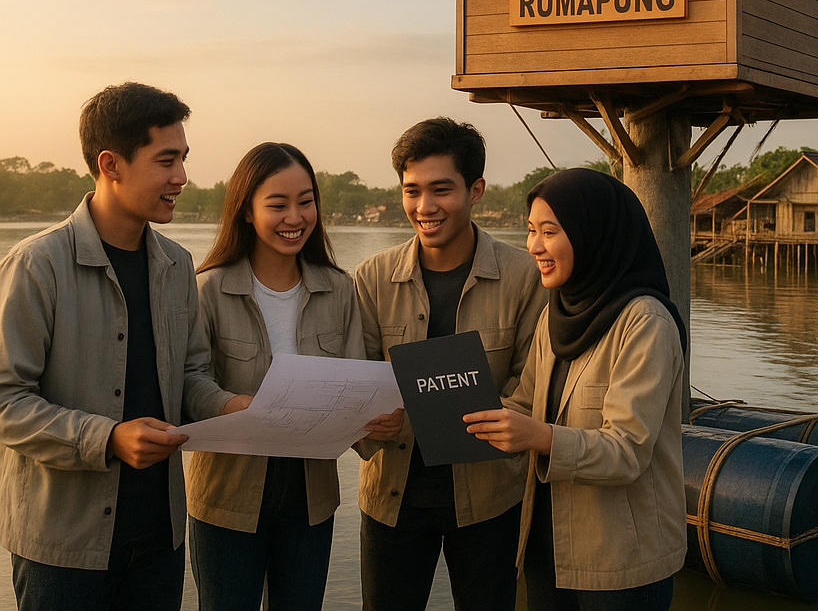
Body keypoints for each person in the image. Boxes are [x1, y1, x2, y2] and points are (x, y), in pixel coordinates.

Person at [0, 82, 244, 611]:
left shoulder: (178, 265)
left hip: (160, 539)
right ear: (111, 164)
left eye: (183, 159)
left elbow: (191, 376)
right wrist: (107, 437)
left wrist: (230, 407)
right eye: (166, 161)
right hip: (62, 550)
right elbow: (5, 402)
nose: (181, 177)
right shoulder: (37, 265)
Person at [465, 167, 687, 611]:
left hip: (621, 561)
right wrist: (453, 410)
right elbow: (525, 403)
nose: (534, 247)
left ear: (593, 233)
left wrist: (540, 437)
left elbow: (627, 451)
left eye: (550, 231)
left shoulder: (646, 323)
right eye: (530, 231)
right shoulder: (558, 312)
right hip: (548, 548)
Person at [185, 142, 395, 611]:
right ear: (245, 212)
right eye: (277, 205)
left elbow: (358, 386)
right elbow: (190, 381)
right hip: (226, 495)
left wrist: (378, 426)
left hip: (310, 498)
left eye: (305, 201)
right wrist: (234, 405)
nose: (294, 217)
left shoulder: (339, 288)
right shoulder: (210, 288)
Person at [353, 117, 545, 611]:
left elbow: (533, 383)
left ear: (476, 189)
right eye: (412, 191)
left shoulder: (525, 277)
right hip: (391, 500)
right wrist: (364, 420)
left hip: (489, 501)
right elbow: (357, 378)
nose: (424, 207)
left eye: (442, 189)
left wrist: (482, 421)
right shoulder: (371, 278)